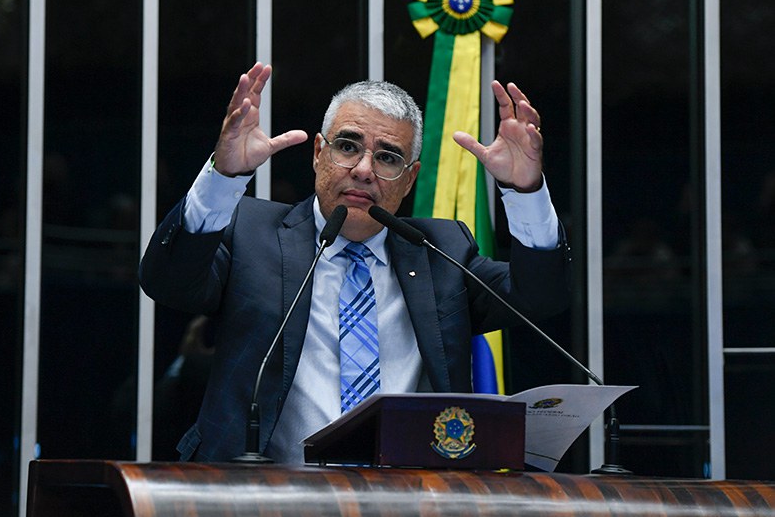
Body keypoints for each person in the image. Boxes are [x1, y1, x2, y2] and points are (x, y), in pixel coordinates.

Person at [139, 63, 571, 464]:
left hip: (403, 504)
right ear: (318, 155)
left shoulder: (440, 250)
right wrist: (224, 179)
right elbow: (168, 281)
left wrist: (524, 190)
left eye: (387, 157)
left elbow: (540, 296)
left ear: (410, 177)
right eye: (348, 146)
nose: (364, 170)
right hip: (263, 497)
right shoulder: (253, 234)